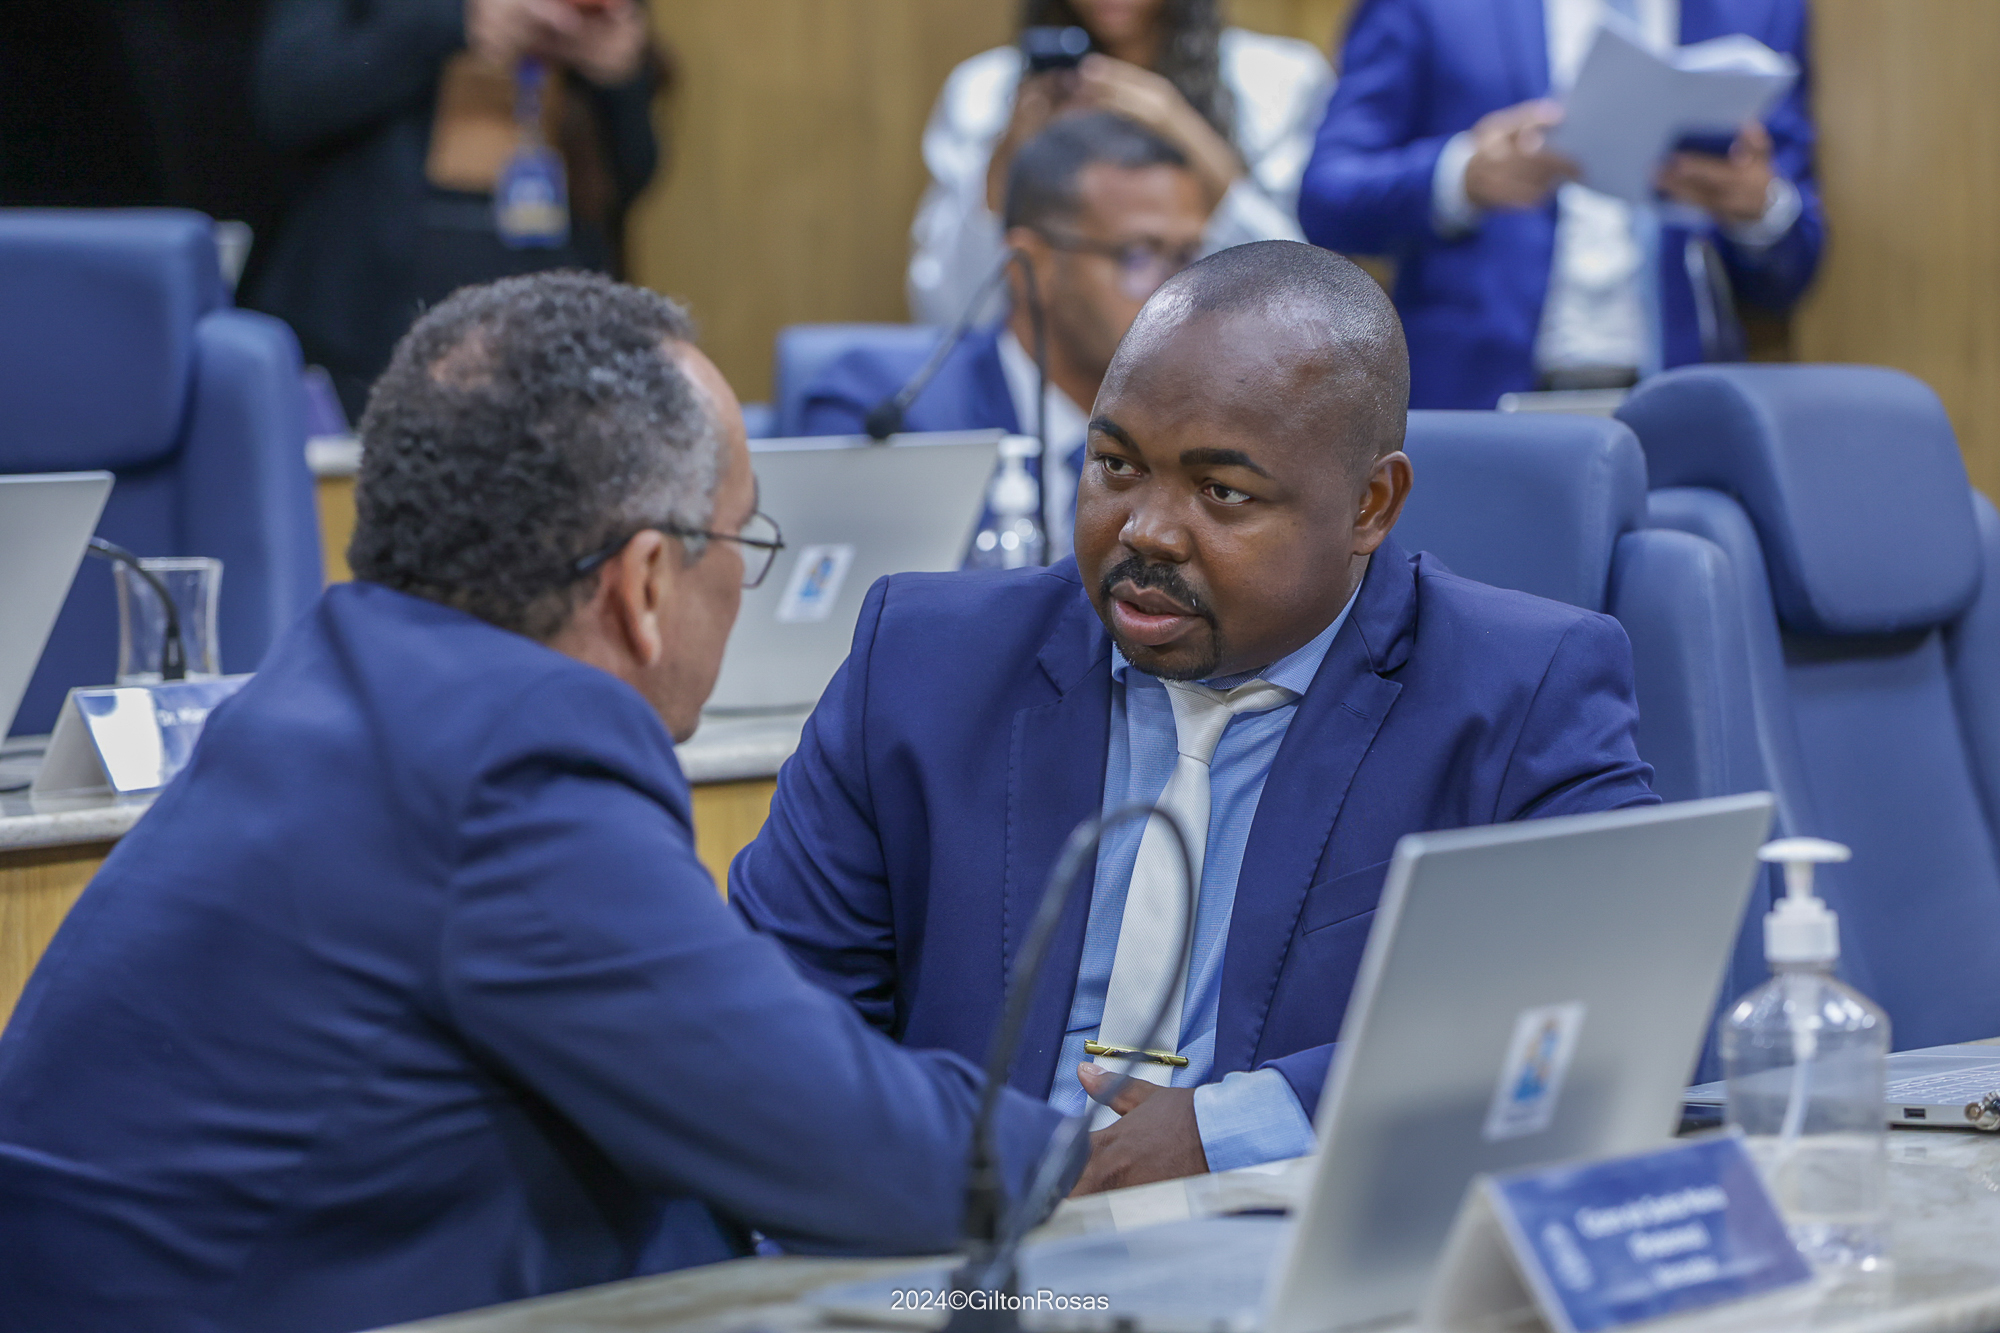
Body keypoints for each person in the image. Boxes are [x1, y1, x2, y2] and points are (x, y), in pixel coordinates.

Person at [0, 273, 1069, 1333]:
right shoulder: (513, 767)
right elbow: (849, 1150)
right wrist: (1076, 1153)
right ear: (644, 583)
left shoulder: (336, 680)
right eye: (744, 541)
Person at [730, 240, 1659, 1196]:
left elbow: (1616, 1004)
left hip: (1283, 1242)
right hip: (962, 1240)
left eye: (1222, 492)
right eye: (1116, 465)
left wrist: (1233, 1132)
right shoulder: (925, 662)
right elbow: (765, 1010)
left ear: (1370, 506)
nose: (1146, 530)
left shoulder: (1520, 690)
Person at [1297, 0, 1822, 410]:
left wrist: (1759, 211)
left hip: (1680, 417)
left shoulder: (1759, 10)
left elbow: (1792, 266)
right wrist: (1460, 176)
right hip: (1479, 408)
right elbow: (1327, 197)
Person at [804, 111, 1208, 556]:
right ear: (1030, 265)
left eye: (1189, 256)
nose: (1178, 290)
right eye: (1140, 255)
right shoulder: (893, 409)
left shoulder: (1208, 426)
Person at [247, 0, 666, 417]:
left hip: (547, 297)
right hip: (368, 303)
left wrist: (618, 76)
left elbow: (631, 178)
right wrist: (457, 20)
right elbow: (287, 96)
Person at [910, 0, 1332, 327]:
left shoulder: (1278, 80)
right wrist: (1009, 152)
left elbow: (1298, 301)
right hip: (1054, 370)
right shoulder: (983, 93)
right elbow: (948, 311)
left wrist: (1178, 126)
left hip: (1219, 359)